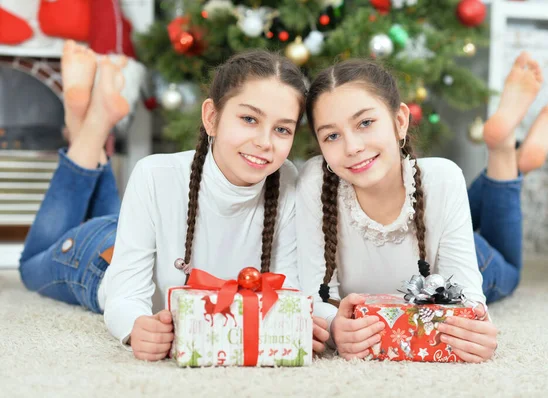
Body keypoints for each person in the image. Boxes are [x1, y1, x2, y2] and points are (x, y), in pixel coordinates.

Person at [19, 42, 329, 361]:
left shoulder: (289, 180)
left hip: (140, 235)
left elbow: (289, 287)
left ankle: (84, 121)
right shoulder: (155, 174)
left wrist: (309, 321)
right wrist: (135, 326)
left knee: (124, 223)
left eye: (281, 129)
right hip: (99, 258)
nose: (265, 142)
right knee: (30, 266)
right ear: (211, 117)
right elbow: (125, 295)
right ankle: (91, 125)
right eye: (249, 119)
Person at [297, 52, 548, 362]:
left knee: (509, 273)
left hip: (445, 264)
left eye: (365, 123)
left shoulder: (442, 179)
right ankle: (513, 165)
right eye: (332, 135)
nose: (352, 147)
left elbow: (471, 301)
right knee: (444, 193)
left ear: (400, 121)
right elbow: (313, 296)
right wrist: (336, 326)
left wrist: (477, 328)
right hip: (430, 216)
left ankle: (503, 154)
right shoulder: (315, 181)